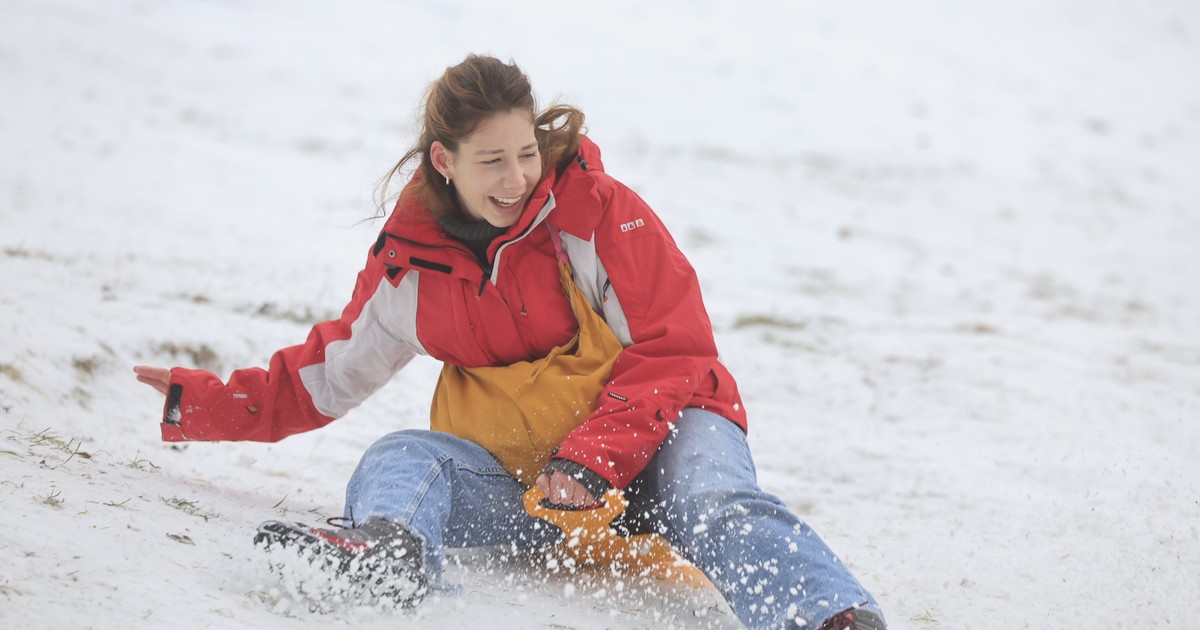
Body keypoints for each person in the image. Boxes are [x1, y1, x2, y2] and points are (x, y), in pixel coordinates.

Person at [133, 54, 886, 630]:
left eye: (526, 153)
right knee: (403, 456)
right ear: (444, 161)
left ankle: (826, 616)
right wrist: (198, 404)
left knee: (711, 497)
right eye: (491, 161)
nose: (517, 178)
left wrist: (591, 460)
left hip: (668, 433)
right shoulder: (410, 269)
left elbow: (677, 346)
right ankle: (390, 553)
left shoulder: (598, 215)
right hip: (539, 485)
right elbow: (325, 376)